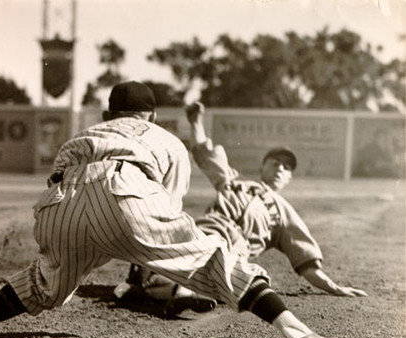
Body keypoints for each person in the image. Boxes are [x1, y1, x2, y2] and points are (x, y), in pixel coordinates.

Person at [0, 82, 344, 338]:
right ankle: (300, 335)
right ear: (151, 114)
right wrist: (138, 247)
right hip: (129, 192)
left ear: (110, 111)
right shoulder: (164, 138)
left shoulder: (85, 132)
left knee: (44, 279)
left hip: (58, 205)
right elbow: (167, 206)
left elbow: (58, 181)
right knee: (217, 262)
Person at [114, 101, 367, 315]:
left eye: (287, 168)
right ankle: (160, 287)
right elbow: (205, 153)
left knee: (205, 268)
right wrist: (195, 121)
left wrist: (332, 286)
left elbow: (306, 260)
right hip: (204, 227)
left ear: (289, 178)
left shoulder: (283, 212)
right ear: (262, 167)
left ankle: (164, 290)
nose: (280, 169)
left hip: (234, 247)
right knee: (163, 235)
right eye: (275, 163)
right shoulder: (233, 182)